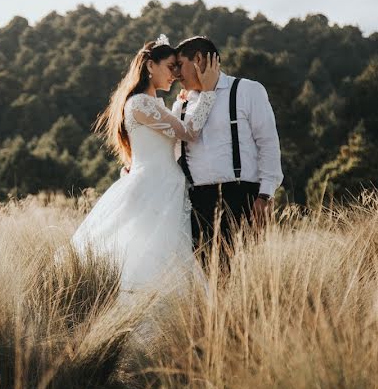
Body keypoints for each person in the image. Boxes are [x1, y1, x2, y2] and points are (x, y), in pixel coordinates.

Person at [71, 35, 220, 299]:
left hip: (168, 187)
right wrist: (207, 94)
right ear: (150, 66)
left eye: (177, 67)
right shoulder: (139, 103)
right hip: (155, 188)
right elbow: (189, 133)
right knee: (151, 258)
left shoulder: (154, 104)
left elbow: (170, 145)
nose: (175, 74)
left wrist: (184, 105)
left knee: (169, 257)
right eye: (170, 66)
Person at [170, 36, 284, 256]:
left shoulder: (247, 90)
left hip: (242, 196)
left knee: (243, 274)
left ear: (199, 59)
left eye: (180, 65)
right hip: (197, 202)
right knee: (205, 276)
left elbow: (268, 143)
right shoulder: (182, 104)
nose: (176, 74)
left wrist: (265, 195)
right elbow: (172, 151)